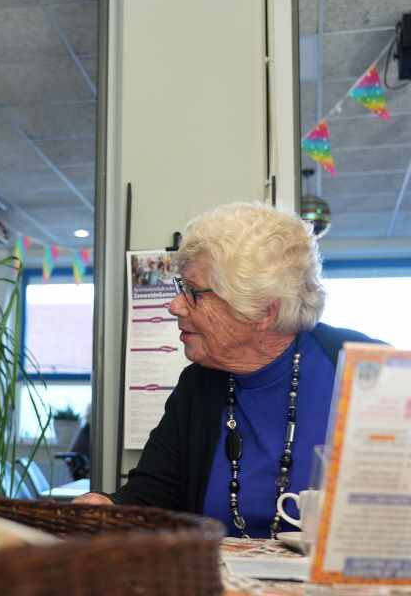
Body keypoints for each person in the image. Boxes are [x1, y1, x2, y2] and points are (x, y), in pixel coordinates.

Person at [76, 202, 378, 538]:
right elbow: (152, 495)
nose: (174, 305)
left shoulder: (364, 368)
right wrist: (105, 506)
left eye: (194, 293)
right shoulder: (198, 384)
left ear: (263, 310)